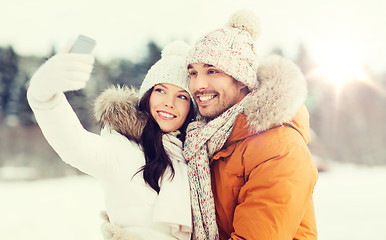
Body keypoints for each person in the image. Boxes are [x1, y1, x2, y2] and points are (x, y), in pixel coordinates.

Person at [27, 40, 195, 240]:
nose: (169, 103)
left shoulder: (194, 158)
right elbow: (75, 145)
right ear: (147, 95)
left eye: (182, 96)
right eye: (160, 90)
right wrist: (44, 98)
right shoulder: (123, 147)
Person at [183, 10, 319, 240]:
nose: (198, 84)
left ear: (242, 79)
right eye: (193, 72)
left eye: (212, 71)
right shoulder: (203, 140)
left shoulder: (280, 146)